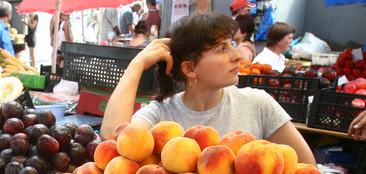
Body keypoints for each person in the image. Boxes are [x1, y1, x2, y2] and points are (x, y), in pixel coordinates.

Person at [100, 13, 316, 165]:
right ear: (190, 68)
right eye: (222, 48)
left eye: (231, 44)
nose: (237, 55)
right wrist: (136, 65)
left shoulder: (258, 104)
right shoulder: (161, 114)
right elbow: (112, 138)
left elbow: (307, 167)